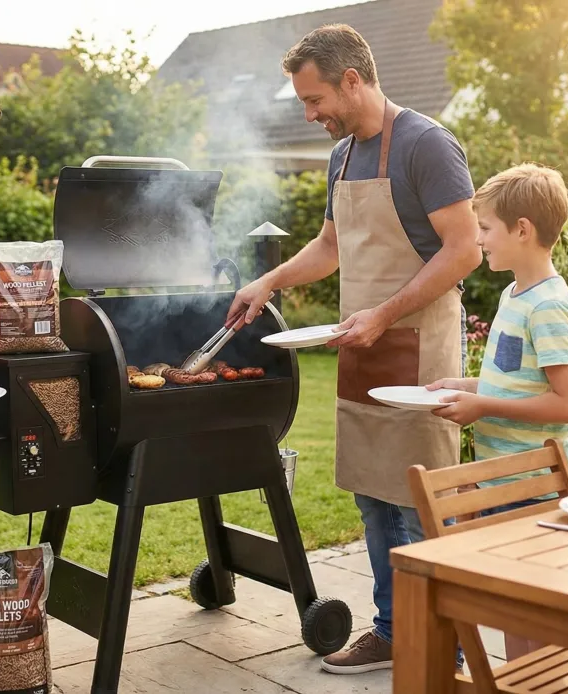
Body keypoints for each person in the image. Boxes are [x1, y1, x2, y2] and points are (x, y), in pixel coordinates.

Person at [229, 24, 481, 675]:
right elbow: (330, 248)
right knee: (372, 495)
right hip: (361, 346)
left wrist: (385, 314)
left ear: (351, 80)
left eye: (314, 100)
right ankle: (393, 631)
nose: (309, 114)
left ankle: (449, 644)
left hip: (419, 351)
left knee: (420, 501)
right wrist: (268, 282)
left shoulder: (426, 144)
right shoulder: (341, 156)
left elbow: (465, 250)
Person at [428, 163, 568, 660]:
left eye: (485, 229)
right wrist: (466, 387)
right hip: (505, 480)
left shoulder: (548, 307)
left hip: (537, 486)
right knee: (512, 612)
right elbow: (520, 382)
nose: (478, 240)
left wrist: (482, 406)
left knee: (537, 619)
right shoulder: (514, 294)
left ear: (522, 230)